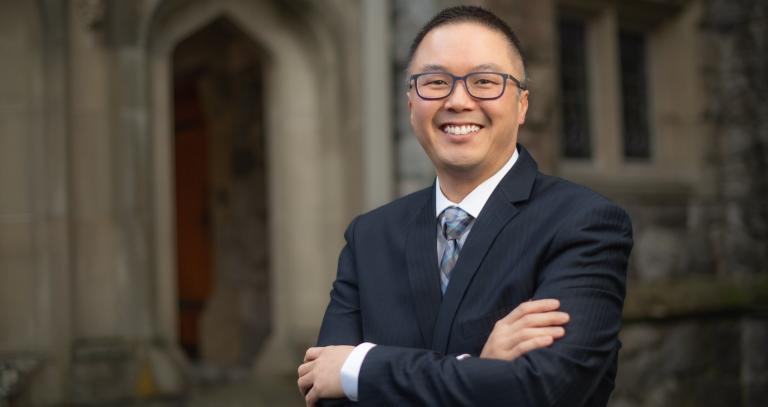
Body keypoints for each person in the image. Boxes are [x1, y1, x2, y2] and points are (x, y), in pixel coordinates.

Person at [297, 5, 632, 406]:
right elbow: (325, 392)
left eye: (485, 81)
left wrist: (361, 368)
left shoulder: (583, 225)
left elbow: (544, 390)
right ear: (410, 104)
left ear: (522, 104)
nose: (458, 100)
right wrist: (480, 365)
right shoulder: (369, 237)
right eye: (435, 82)